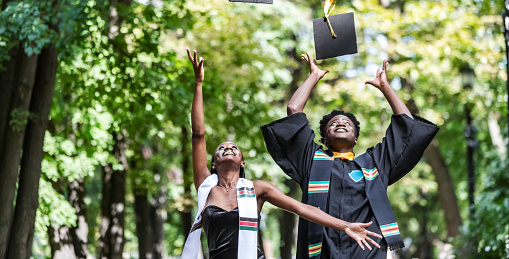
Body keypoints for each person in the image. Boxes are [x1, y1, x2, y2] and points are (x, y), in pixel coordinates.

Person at [181, 49, 382, 259]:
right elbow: (198, 134)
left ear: (242, 162)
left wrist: (345, 226)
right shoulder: (206, 186)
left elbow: (304, 209)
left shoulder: (257, 190)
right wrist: (198, 84)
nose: (228, 148)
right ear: (213, 164)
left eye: (234, 148)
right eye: (221, 148)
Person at [260, 53, 440, 259]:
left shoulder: (374, 163)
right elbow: (294, 110)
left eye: (347, 123)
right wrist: (313, 75)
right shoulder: (312, 160)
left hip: (366, 249)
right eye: (333, 123)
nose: (341, 123)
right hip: (321, 251)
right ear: (324, 138)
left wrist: (386, 88)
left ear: (355, 138)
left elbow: (407, 128)